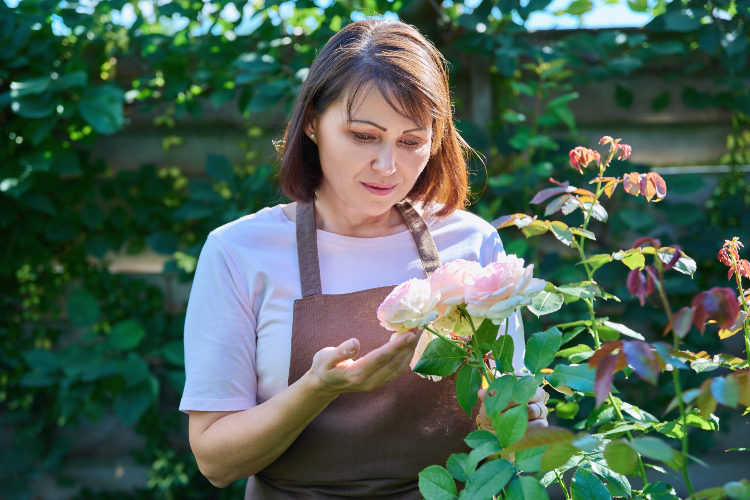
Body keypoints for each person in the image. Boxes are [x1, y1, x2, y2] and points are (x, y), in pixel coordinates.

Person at [180, 18, 549, 499]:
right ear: (312, 121)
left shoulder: (472, 243)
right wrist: (318, 388)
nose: (387, 166)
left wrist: (520, 422)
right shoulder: (238, 252)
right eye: (363, 135)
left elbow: (512, 435)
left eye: (412, 142)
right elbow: (215, 460)